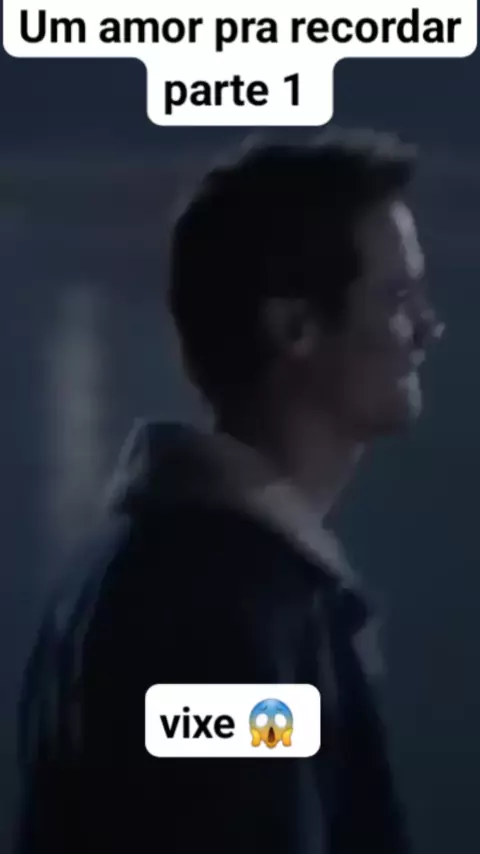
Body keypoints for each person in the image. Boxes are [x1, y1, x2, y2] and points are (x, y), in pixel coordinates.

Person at [16, 130, 443, 854]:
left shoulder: (179, 579)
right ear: (295, 328)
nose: (427, 327)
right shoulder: (219, 617)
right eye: (397, 296)